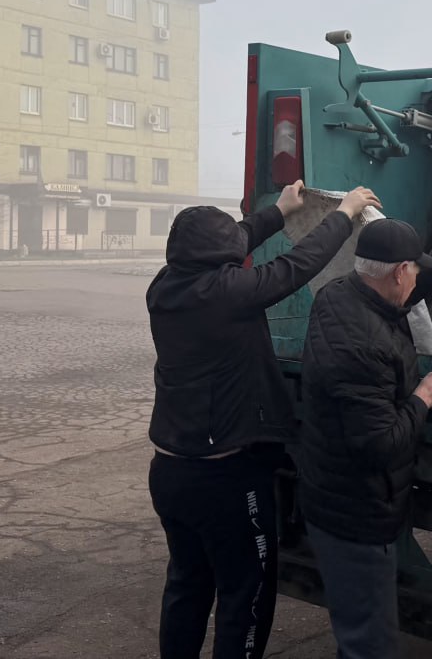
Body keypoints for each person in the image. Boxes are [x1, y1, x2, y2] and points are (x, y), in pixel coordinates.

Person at [146, 181, 381, 659]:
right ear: (220, 256)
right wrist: (345, 213)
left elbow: (235, 240)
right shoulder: (228, 293)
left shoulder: (164, 285)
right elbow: (294, 267)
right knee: (245, 596)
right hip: (224, 477)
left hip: (170, 470)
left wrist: (278, 211)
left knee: (188, 585)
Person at [297, 220, 432, 659]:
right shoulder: (362, 349)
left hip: (334, 498)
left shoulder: (343, 292)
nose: (418, 278)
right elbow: (379, 444)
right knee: (370, 645)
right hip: (356, 516)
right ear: (399, 272)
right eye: (416, 271)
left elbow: (400, 298)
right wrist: (427, 395)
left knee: (361, 631)